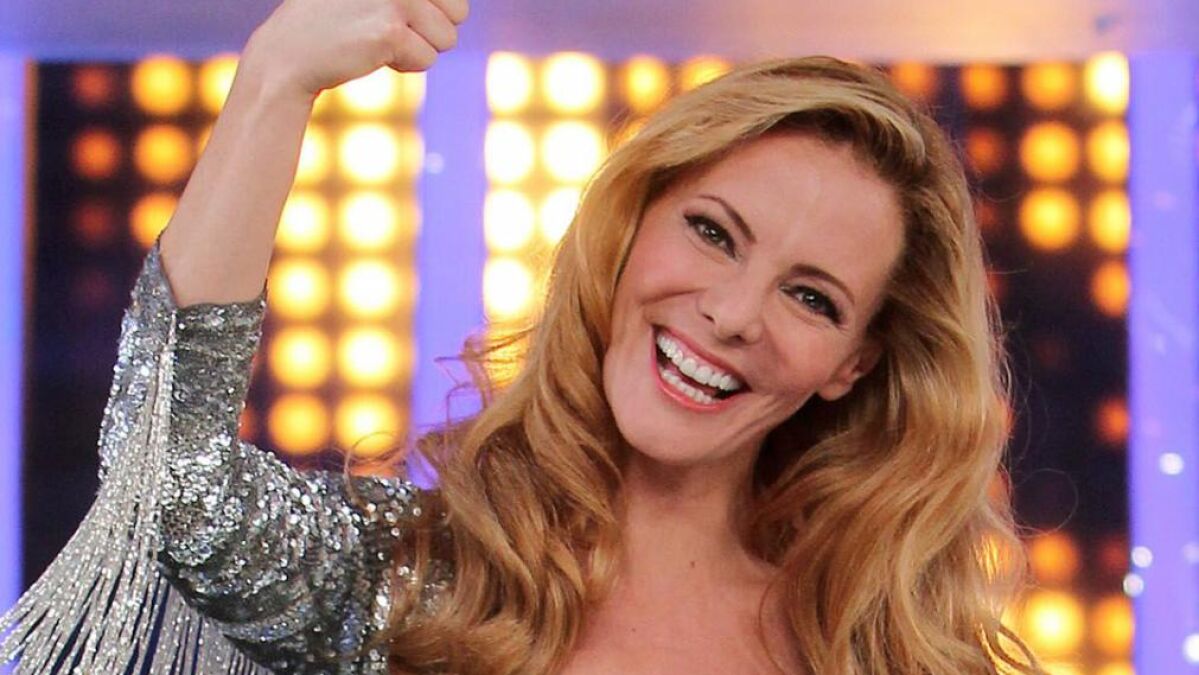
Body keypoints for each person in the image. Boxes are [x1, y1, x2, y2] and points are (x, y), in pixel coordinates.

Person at [0, 0, 1048, 672]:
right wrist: (278, 76)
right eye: (711, 233)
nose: (733, 314)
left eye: (810, 298)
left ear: (851, 364)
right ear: (630, 225)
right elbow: (168, 486)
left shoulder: (885, 650)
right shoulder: (422, 577)